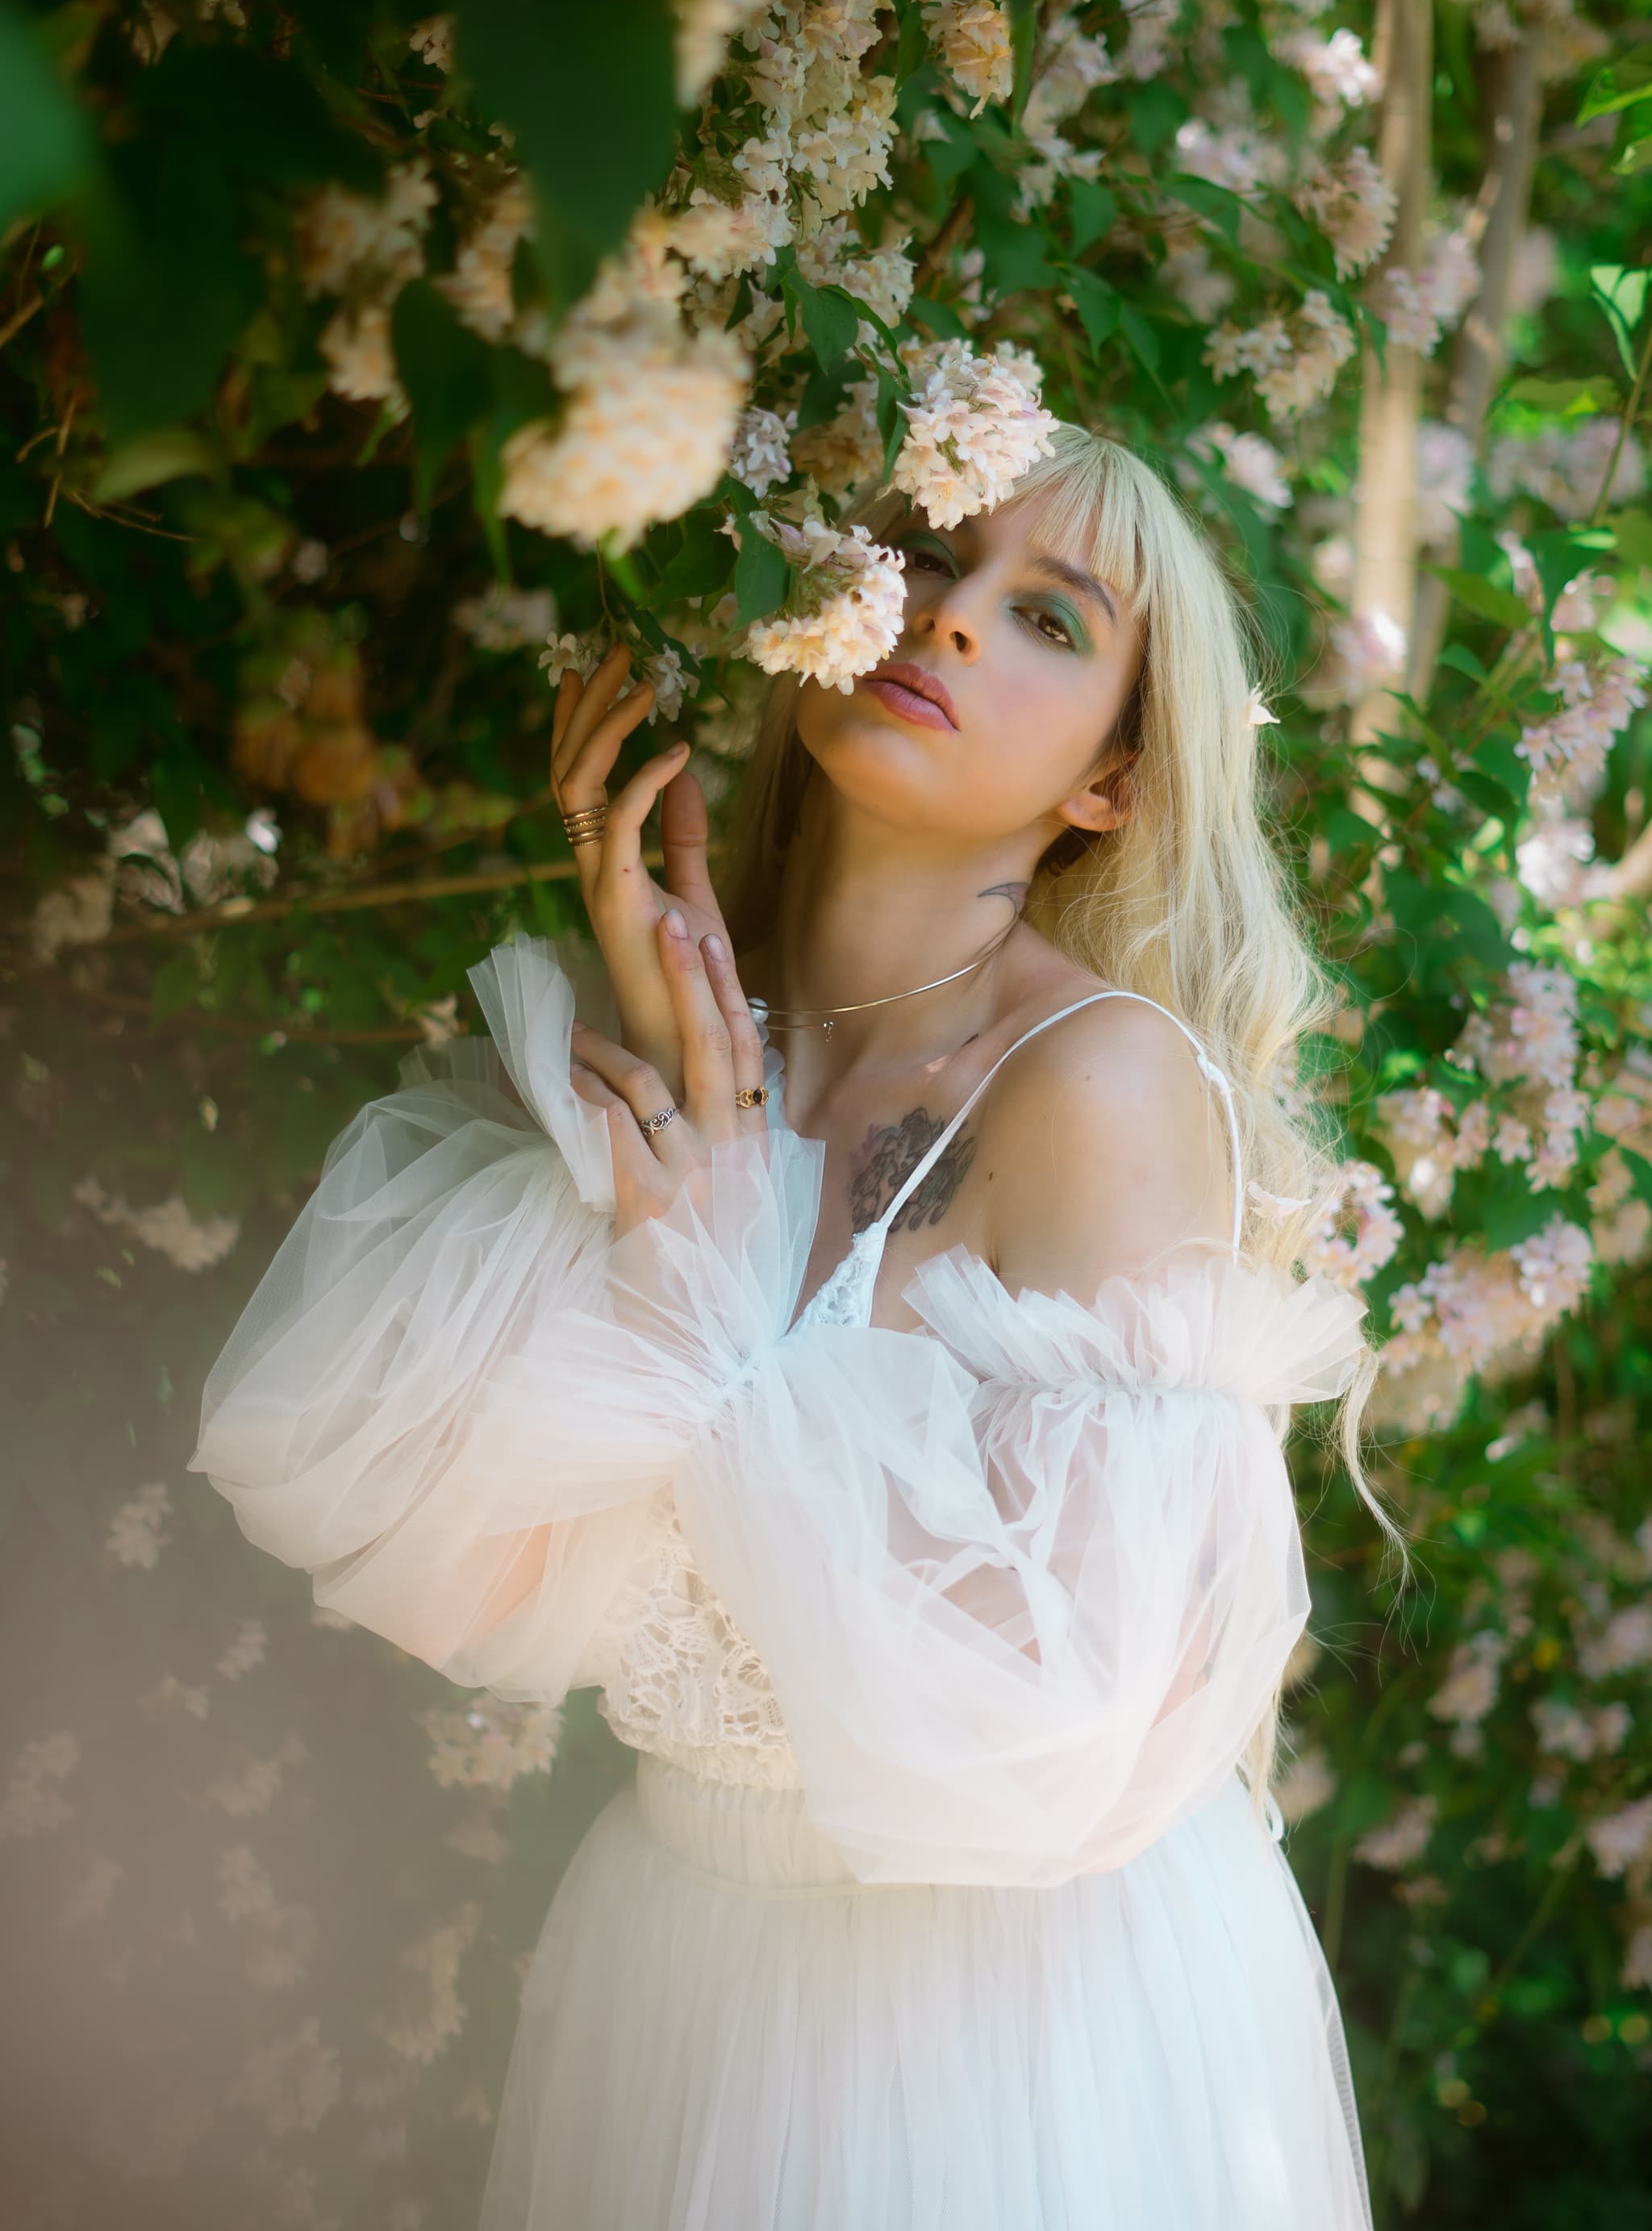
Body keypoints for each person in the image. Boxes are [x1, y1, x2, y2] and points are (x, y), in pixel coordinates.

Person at [190, 424, 1389, 2229]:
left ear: (1113, 785)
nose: (951, 618)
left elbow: (1035, 1742)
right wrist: (671, 1053)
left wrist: (702, 1280)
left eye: (1047, 615)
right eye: (923, 552)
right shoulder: (696, 1055)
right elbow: (401, 1524)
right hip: (680, 1953)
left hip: (1001, 2022)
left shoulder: (1101, 1089)